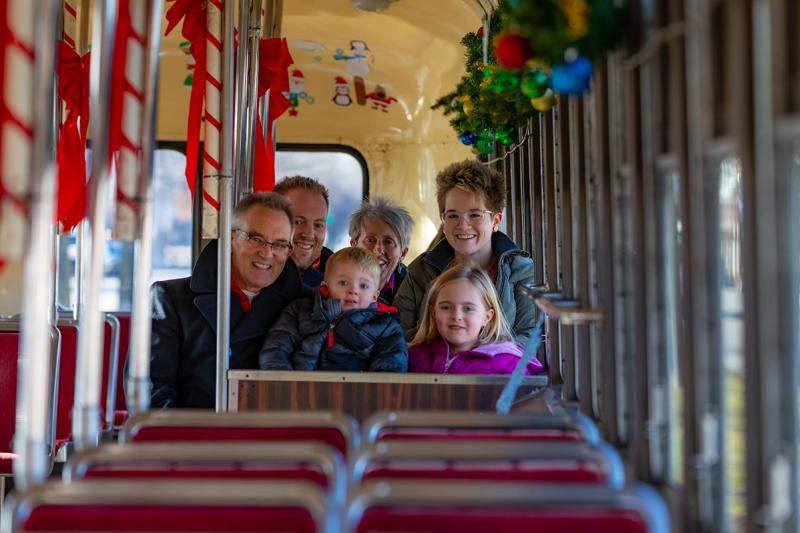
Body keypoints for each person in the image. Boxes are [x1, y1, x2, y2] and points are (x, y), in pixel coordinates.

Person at [149, 192, 304, 408]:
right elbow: (153, 392)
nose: (267, 253)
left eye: (279, 244)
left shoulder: (306, 306)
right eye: (256, 238)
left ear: (289, 251)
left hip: (274, 436)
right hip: (191, 436)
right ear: (232, 237)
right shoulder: (170, 299)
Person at [394, 159, 537, 346]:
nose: (463, 225)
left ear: (495, 220)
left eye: (475, 214)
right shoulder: (421, 271)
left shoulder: (521, 271)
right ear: (443, 221)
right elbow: (399, 335)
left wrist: (479, 360)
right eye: (453, 215)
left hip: (498, 373)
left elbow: (528, 336)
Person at [259, 247, 408, 372]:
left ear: (375, 296)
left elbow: (391, 369)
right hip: (298, 395)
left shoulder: (385, 327)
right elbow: (276, 349)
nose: (353, 290)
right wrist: (284, 385)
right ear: (325, 287)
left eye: (363, 286)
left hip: (354, 399)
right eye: (343, 282)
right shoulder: (300, 311)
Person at [408, 265, 542, 375]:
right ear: (433, 313)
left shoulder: (508, 365)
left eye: (468, 309)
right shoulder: (413, 357)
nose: (456, 316)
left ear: (487, 317)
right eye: (446, 307)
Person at [348, 196, 414, 304]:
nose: (378, 250)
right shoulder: (337, 281)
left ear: (403, 253)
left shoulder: (414, 292)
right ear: (354, 245)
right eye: (370, 240)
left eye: (388, 242)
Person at [273, 175, 332, 288]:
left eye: (318, 225)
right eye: (298, 222)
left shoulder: (349, 286)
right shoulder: (252, 277)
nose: (309, 234)